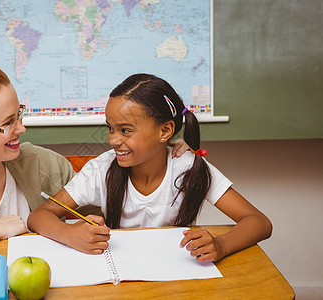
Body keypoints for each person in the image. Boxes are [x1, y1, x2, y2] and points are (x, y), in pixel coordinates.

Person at [0, 50, 189, 299]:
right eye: (8, 123)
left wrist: (162, 151)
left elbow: (103, 222)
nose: (21, 128)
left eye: (19, 114)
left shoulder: (42, 164)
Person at [28, 73, 272, 262]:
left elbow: (259, 222)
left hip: (177, 275)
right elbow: (39, 216)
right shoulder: (102, 169)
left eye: (125, 130)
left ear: (164, 131)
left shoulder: (188, 168)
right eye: (110, 128)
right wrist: (69, 234)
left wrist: (221, 245)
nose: (112, 139)